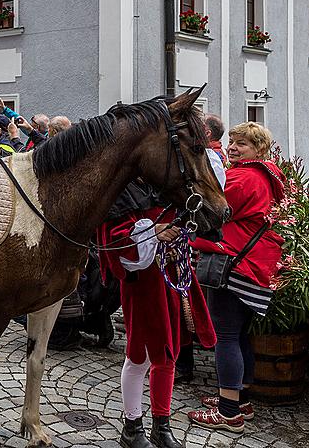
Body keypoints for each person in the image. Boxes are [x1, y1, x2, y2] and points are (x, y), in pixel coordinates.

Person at [99, 177, 219, 448]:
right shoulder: (123, 186)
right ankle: (132, 427)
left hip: (173, 276)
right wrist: (153, 231)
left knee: (168, 353)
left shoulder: (169, 183)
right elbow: (113, 238)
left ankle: (161, 427)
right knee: (139, 356)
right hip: (142, 282)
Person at [187, 122, 285, 434]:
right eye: (232, 141)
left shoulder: (243, 178)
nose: (232, 147)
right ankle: (239, 398)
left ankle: (229, 413)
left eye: (241, 144)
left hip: (235, 265)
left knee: (226, 336)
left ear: (259, 149)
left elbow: (214, 211)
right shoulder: (266, 177)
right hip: (254, 264)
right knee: (240, 334)